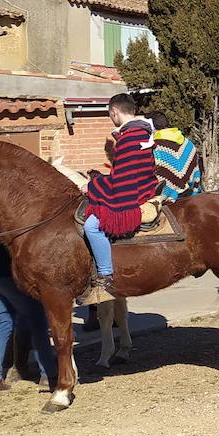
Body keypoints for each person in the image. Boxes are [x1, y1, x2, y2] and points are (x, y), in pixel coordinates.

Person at [81, 93, 158, 299]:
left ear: (114, 111)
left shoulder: (130, 138)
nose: (111, 119)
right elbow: (123, 173)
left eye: (110, 115)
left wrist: (91, 186)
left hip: (136, 194)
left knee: (91, 226)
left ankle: (105, 275)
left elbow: (121, 182)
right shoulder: (140, 133)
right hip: (145, 187)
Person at [0, 231, 56, 393]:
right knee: (38, 323)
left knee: (3, 323)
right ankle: (48, 375)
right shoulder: (8, 218)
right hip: (13, 277)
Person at [151, 111, 201, 201]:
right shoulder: (188, 144)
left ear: (152, 127)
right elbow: (196, 171)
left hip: (162, 199)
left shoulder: (154, 147)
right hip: (189, 196)